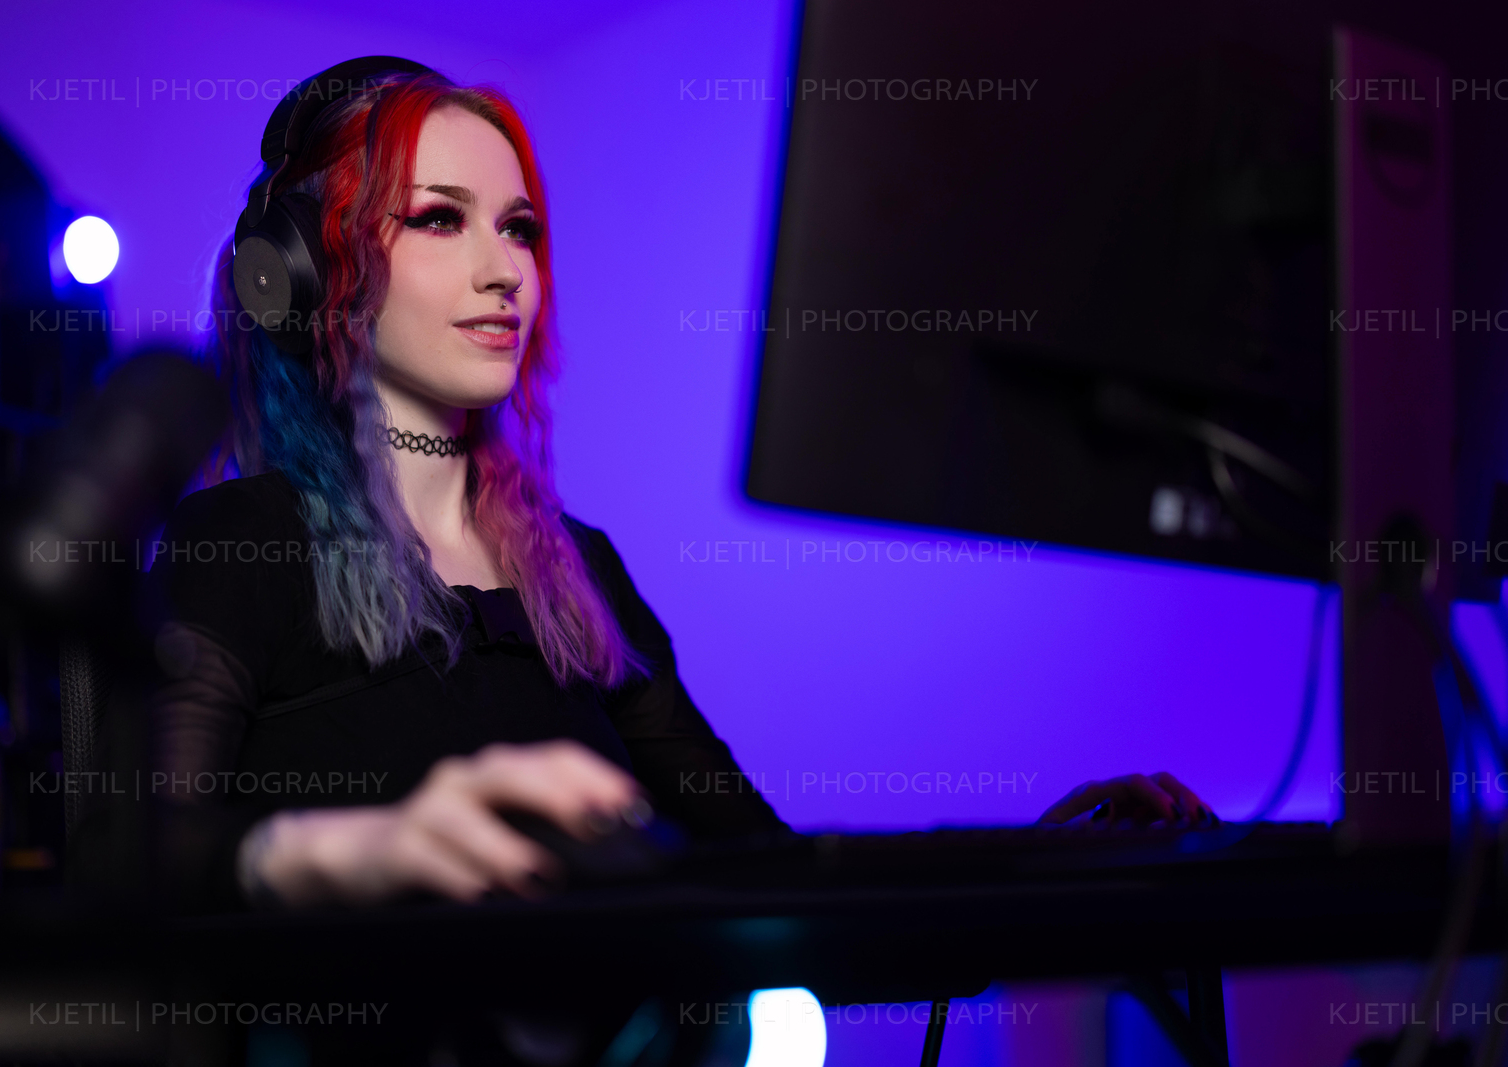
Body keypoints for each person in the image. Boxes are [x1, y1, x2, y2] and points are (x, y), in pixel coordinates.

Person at [148, 61, 1212, 916]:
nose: (505, 270)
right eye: (439, 218)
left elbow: (763, 871)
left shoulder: (577, 572)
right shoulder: (237, 546)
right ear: (301, 270)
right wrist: (360, 849)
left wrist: (1042, 858)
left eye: (518, 227)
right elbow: (137, 866)